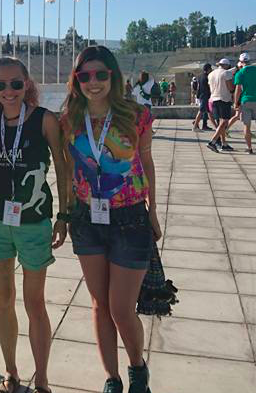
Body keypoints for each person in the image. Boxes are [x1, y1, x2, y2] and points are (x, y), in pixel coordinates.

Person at [61, 45, 159, 393]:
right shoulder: (70, 119)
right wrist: (66, 212)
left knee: (121, 308)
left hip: (130, 218)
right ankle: (112, 379)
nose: (93, 82)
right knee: (100, 304)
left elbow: (146, 163)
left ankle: (137, 368)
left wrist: (154, 212)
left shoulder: (136, 115)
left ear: (113, 76)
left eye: (101, 74)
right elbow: (69, 169)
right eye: (84, 75)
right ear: (77, 80)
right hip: (87, 219)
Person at [0, 57, 69, 393]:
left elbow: (62, 167)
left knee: (35, 303)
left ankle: (42, 379)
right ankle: (11, 375)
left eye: (16, 84)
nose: (9, 91)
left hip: (33, 221)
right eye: (0, 85)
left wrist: (64, 215)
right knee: (3, 299)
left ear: (27, 84)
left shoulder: (44, 120)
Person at [233, 53, 256, 154]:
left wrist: (235, 103)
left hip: (245, 100)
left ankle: (249, 148)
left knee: (246, 126)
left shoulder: (240, 73)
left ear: (241, 62)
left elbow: (238, 90)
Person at [206, 58, 235, 152]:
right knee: (224, 122)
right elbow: (230, 87)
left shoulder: (211, 74)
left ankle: (224, 143)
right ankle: (213, 141)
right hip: (224, 99)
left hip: (214, 98)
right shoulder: (226, 73)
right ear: (226, 65)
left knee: (220, 122)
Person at [192, 64, 212, 132]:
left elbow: (198, 87)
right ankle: (195, 126)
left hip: (201, 95)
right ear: (208, 69)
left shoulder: (200, 76)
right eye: (210, 69)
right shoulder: (207, 77)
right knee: (201, 111)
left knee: (207, 112)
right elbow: (208, 87)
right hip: (205, 95)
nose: (211, 70)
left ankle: (204, 125)